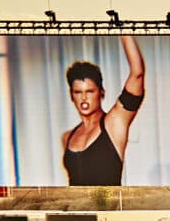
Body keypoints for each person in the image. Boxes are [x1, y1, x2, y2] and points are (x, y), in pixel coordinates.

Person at [62, 35, 146, 186]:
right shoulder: (67, 137)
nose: (84, 98)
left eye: (90, 92)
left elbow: (137, 73)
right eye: (78, 92)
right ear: (71, 96)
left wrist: (123, 29)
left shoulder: (114, 124)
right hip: (78, 209)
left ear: (102, 93)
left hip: (107, 207)